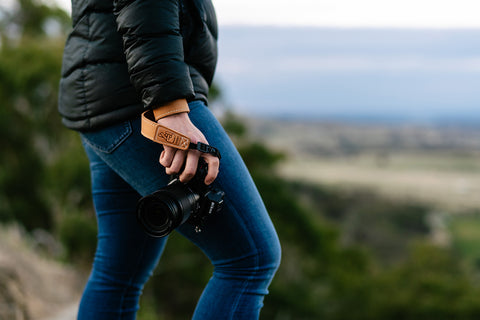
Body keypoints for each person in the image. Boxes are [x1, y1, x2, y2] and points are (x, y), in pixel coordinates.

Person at [58, 0, 281, 319]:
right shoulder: (160, 105)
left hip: (106, 100)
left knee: (120, 270)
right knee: (251, 258)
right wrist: (170, 108)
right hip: (141, 103)